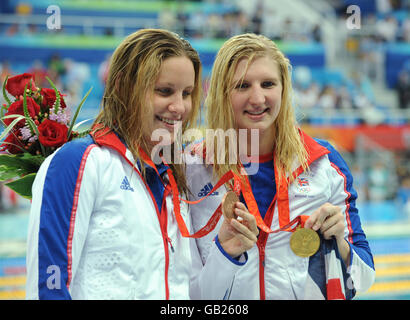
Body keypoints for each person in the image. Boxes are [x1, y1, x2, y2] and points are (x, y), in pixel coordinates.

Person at [25, 29, 258, 300]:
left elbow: (187, 296)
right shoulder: (79, 163)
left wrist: (225, 254)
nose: (179, 107)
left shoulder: (173, 179)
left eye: (187, 93)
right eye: (164, 91)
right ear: (124, 85)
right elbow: (48, 289)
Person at [186, 33, 375, 299]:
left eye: (268, 84)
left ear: (283, 89)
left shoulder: (324, 162)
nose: (257, 98)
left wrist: (340, 242)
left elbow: (364, 277)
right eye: (242, 86)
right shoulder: (192, 169)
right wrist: (225, 254)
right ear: (220, 93)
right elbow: (187, 294)